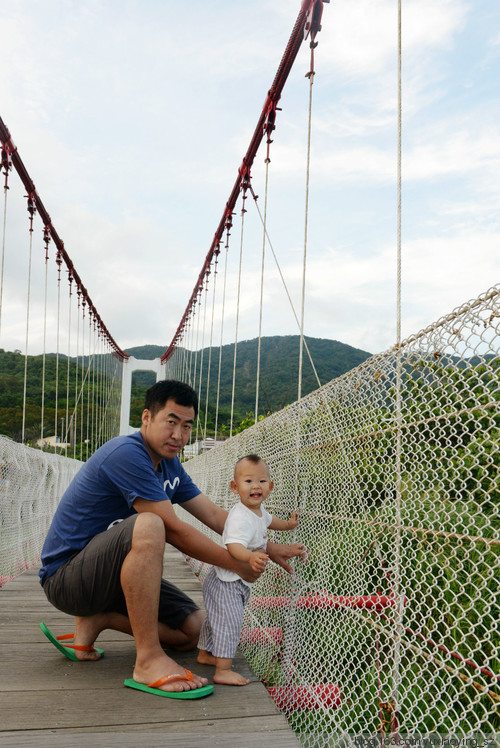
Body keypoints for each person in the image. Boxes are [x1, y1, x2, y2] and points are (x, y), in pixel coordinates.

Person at [39, 380, 306, 699]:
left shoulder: (169, 465)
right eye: (171, 422)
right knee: (152, 524)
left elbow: (219, 518)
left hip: (107, 580)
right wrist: (239, 564)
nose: (179, 435)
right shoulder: (126, 454)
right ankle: (148, 659)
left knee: (193, 631)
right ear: (147, 418)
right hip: (66, 579)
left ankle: (99, 619)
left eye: (187, 426)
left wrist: (265, 546)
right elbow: (175, 531)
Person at [197, 454, 302, 686]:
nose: (256, 486)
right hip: (227, 582)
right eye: (248, 482)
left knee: (217, 618)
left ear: (270, 487)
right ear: (235, 487)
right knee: (230, 623)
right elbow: (233, 545)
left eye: (262, 481)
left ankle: (205, 654)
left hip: (231, 581)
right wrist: (250, 556)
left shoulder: (258, 511)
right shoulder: (239, 517)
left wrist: (288, 525)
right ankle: (222, 669)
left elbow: (270, 521)